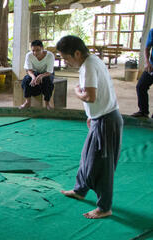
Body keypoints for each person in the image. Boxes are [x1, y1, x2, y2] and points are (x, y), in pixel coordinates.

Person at [56, 36, 123, 219]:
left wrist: (77, 92)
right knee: (87, 157)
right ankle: (80, 190)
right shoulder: (93, 60)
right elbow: (100, 94)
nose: (66, 62)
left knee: (101, 165)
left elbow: (90, 96)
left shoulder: (88, 66)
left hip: (107, 121)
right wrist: (91, 116)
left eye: (67, 58)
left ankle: (104, 207)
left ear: (77, 53)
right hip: (100, 118)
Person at [19, 40, 56, 110]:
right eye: (33, 50)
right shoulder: (29, 55)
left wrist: (41, 76)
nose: (35, 53)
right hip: (34, 73)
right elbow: (28, 70)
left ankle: (47, 103)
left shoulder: (50, 55)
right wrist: (33, 77)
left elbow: (49, 71)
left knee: (48, 82)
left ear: (42, 48)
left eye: (38, 50)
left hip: (47, 73)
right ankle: (27, 101)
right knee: (26, 80)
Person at [132, 28, 153, 119]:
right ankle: (143, 111)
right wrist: (147, 62)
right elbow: (147, 48)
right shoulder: (152, 32)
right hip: (151, 67)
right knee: (141, 86)